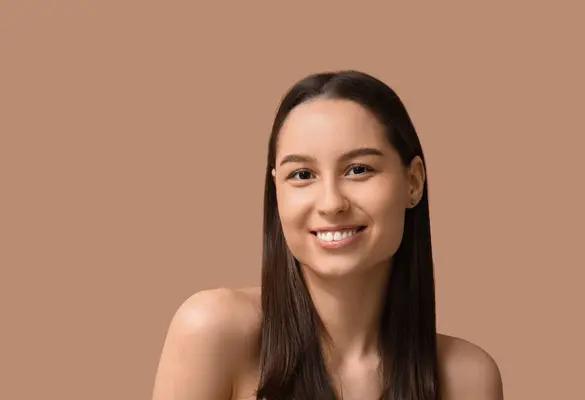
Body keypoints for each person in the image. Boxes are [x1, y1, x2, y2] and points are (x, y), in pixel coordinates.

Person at [151, 70, 504, 399]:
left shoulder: (467, 378)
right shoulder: (212, 330)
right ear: (277, 190)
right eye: (302, 175)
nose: (332, 203)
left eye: (358, 169)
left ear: (413, 182)